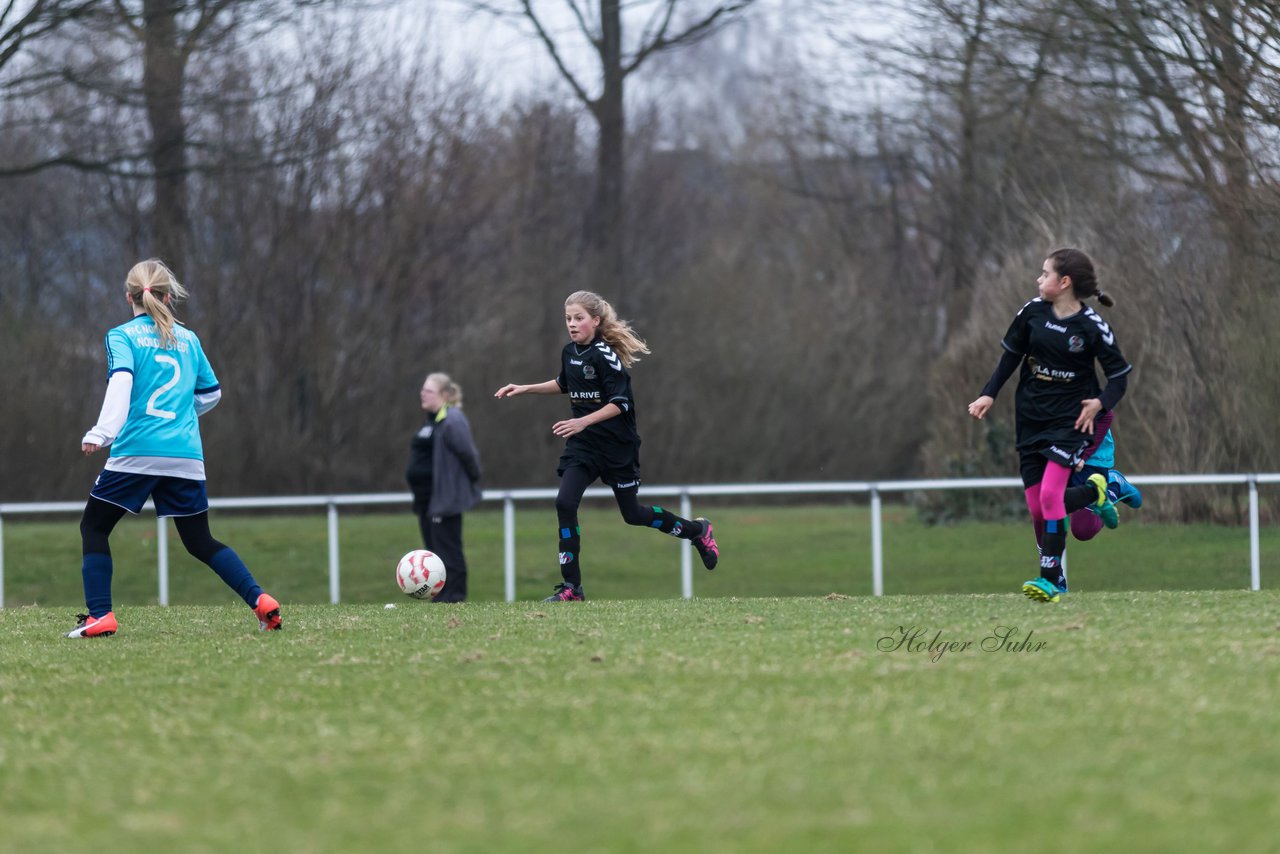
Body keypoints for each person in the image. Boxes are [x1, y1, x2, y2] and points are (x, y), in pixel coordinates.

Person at [71, 259, 281, 637]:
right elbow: (211, 393)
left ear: (128, 297)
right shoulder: (189, 338)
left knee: (94, 526)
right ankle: (261, 601)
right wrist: (182, 414)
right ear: (168, 296)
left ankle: (100, 615)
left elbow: (121, 382)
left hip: (138, 450)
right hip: (186, 454)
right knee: (200, 540)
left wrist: (102, 432)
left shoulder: (122, 336)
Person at [494, 290, 719, 601]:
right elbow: (564, 383)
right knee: (565, 503)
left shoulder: (605, 356)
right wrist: (525, 388)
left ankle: (697, 531)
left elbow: (621, 403)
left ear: (595, 321)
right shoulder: (569, 352)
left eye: (578, 318)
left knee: (633, 514)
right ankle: (573, 588)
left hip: (617, 447)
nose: (572, 324)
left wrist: (583, 420)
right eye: (568, 319)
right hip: (584, 447)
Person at [967, 248, 1132, 603]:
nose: (1038, 280)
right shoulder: (1032, 312)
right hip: (1029, 419)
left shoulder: (1092, 327)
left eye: (1044, 274)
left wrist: (1100, 402)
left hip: (1069, 423)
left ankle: (1050, 580)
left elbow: (1119, 377)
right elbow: (1011, 354)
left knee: (1050, 496)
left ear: (1064, 282)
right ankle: (1097, 492)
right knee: (1038, 509)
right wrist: (988, 394)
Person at [405, 372, 483, 603]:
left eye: (428, 391)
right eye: (422, 390)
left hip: (444, 499)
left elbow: (468, 455)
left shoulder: (453, 419)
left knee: (449, 551)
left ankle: (455, 597)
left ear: (444, 395)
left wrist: (469, 481)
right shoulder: (431, 420)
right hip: (425, 500)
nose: (423, 394)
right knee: (434, 553)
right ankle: (439, 596)